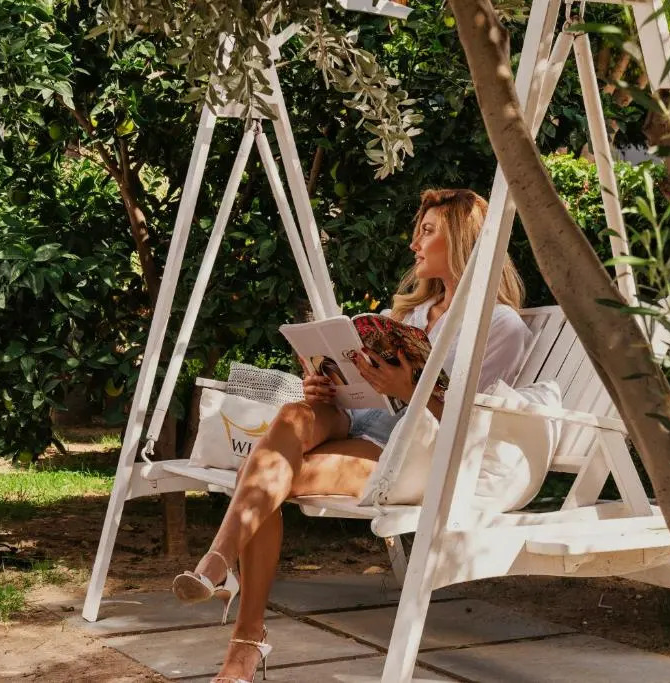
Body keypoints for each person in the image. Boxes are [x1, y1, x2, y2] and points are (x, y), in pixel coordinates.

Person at [171, 188, 534, 683]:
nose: (415, 244)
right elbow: (364, 387)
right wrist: (326, 384)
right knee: (292, 416)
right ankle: (221, 570)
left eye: (427, 232)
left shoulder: (500, 325)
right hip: (358, 417)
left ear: (462, 239)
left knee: (264, 477)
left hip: (407, 447)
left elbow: (473, 422)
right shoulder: (409, 315)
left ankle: (240, 628)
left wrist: (408, 389)